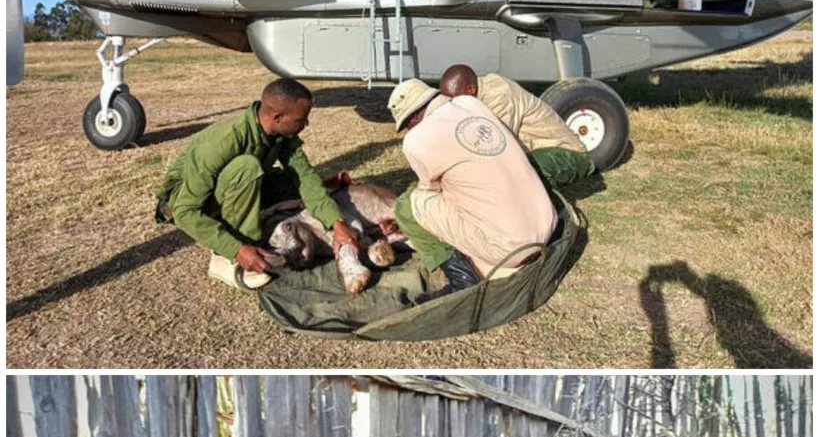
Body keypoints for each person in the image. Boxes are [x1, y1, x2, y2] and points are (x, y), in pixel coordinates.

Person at [155, 79, 359, 289]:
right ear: (278, 117)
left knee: (292, 181)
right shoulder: (224, 140)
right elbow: (184, 211)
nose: (306, 124)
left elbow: (304, 176)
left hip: (227, 188)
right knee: (247, 168)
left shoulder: (281, 133)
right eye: (301, 119)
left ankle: (254, 219)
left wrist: (337, 223)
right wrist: (236, 249)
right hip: (188, 204)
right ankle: (225, 258)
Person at [388, 79, 558, 300]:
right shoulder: (471, 103)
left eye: (406, 126)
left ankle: (462, 278)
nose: (408, 130)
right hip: (547, 222)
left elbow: (431, 190)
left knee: (409, 205)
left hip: (510, 248)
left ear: (411, 118)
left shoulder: (416, 140)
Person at [438, 65, 596, 187]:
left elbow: (495, 148)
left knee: (512, 177)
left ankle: (555, 211)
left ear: (471, 89)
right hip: (536, 151)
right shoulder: (477, 93)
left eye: (454, 99)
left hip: (566, 153)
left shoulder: (498, 97)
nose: (451, 104)